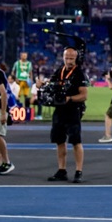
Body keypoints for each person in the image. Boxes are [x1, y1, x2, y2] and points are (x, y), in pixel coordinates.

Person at [47, 46, 89, 183]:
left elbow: (84, 95)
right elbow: (51, 84)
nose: (69, 60)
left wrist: (69, 98)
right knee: (59, 141)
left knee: (76, 141)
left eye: (71, 58)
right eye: (66, 58)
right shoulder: (60, 71)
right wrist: (43, 85)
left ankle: (78, 171)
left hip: (73, 110)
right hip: (59, 110)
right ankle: (62, 170)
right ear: (63, 57)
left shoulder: (79, 74)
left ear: (76, 58)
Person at [11, 51, 34, 121]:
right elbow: (13, 71)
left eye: (25, 55)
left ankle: (27, 113)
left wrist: (31, 80)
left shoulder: (29, 63)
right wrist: (15, 78)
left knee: (26, 96)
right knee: (17, 96)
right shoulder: (17, 63)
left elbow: (30, 72)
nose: (24, 57)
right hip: (19, 81)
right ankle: (16, 111)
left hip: (26, 81)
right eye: (23, 55)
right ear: (21, 56)